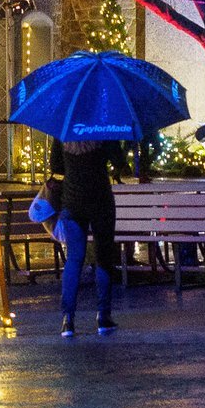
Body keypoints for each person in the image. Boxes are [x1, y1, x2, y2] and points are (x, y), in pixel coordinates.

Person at [49, 137, 127, 337]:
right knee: (103, 258)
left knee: (74, 259)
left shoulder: (64, 132)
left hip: (72, 202)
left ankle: (68, 320)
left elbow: (56, 165)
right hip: (100, 201)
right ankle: (103, 317)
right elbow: (119, 162)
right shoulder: (104, 131)